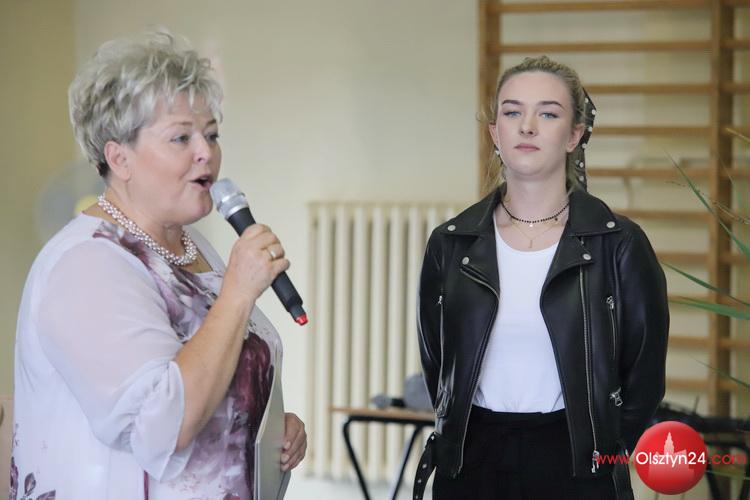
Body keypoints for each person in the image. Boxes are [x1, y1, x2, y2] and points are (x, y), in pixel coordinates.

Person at [11, 31, 306, 499]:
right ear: (119, 158)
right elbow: (161, 429)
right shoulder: (86, 265)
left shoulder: (192, 248)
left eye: (211, 134)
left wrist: (265, 429)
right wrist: (237, 292)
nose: (206, 152)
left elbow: (214, 378)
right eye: (181, 137)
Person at [413, 56, 669, 500]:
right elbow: (438, 364)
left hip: (577, 466)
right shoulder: (451, 243)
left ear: (574, 135)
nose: (527, 127)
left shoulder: (618, 243)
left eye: (548, 114)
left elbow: (643, 376)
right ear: (495, 132)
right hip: (471, 461)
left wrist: (604, 448)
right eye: (512, 112)